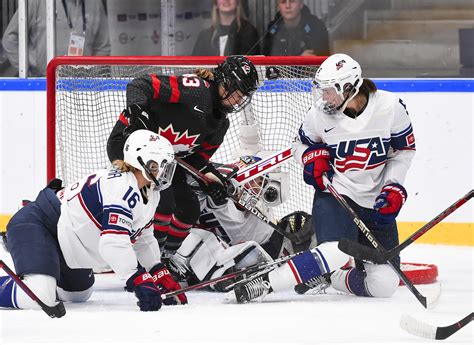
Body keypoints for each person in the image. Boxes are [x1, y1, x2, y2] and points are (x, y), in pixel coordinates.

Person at [230, 53, 416, 303]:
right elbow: (298, 147)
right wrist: (310, 157)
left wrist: (393, 187)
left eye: (329, 90)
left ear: (349, 87)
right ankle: (265, 284)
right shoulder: (319, 114)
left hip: (375, 201)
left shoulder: (390, 107)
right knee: (335, 251)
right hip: (335, 195)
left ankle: (331, 278)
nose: (323, 97)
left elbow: (403, 150)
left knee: (384, 284)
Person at [0, 130, 187, 314]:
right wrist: (137, 279)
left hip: (66, 242)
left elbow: (143, 237)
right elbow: (112, 242)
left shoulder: (150, 193)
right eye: (156, 165)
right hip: (41, 224)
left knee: (78, 294)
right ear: (139, 162)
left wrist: (157, 270)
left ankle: (41, 267)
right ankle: (32, 259)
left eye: (165, 166)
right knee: (39, 295)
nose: (162, 172)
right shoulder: (121, 186)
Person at [107, 55, 259, 261]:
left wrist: (211, 179)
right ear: (225, 82)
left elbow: (196, 159)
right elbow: (139, 85)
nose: (239, 100)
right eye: (238, 93)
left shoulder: (220, 126)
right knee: (164, 203)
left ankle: (167, 258)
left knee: (189, 208)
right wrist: (138, 114)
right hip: (128, 144)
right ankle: (149, 262)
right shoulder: (196, 90)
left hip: (166, 161)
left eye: (243, 96)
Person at [166, 155, 315, 291]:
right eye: (259, 180)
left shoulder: (257, 209)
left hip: (250, 256)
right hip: (213, 262)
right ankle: (174, 271)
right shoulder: (219, 200)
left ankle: (319, 267)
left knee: (301, 220)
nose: (263, 186)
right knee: (198, 237)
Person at [2, 0, 110, 77]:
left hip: (81, 86)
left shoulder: (95, 3)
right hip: (43, 82)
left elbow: (103, 46)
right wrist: (27, 70)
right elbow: (10, 39)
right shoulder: (37, 2)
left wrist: (92, 75)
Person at [192, 0, 260, 56]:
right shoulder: (205, 36)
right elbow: (195, 67)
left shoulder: (249, 32)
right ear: (216, 3)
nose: (226, 0)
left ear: (238, 2)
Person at [263, 0, 329, 57]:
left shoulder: (316, 26)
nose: (287, 6)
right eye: (283, 2)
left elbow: (323, 61)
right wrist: (299, 59)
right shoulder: (272, 30)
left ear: (301, 4)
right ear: (278, 6)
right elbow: (268, 63)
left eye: (292, 1)